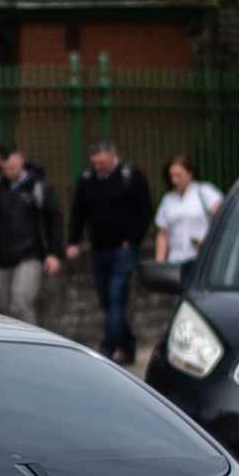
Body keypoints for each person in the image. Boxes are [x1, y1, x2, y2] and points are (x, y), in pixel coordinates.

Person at [65, 136, 154, 362]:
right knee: (106, 300)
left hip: (123, 249)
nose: (98, 168)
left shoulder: (131, 177)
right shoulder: (87, 179)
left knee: (116, 296)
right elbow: (78, 212)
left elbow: (145, 211)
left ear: (114, 156)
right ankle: (129, 346)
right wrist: (74, 241)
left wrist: (132, 240)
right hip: (99, 249)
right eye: (95, 163)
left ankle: (107, 349)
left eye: (102, 164)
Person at [0, 145, 64, 324]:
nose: (9, 172)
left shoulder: (37, 186)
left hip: (29, 254)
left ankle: (32, 346)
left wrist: (54, 252)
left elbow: (54, 219)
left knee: (21, 303)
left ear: (21, 161)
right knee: (4, 308)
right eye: (5, 168)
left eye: (12, 167)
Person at [152, 153, 223, 263]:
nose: (174, 180)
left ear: (190, 174)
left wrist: (208, 240)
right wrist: (159, 263)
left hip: (202, 260)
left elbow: (222, 221)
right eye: (172, 176)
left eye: (179, 175)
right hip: (176, 261)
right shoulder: (168, 200)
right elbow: (163, 234)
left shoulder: (205, 192)